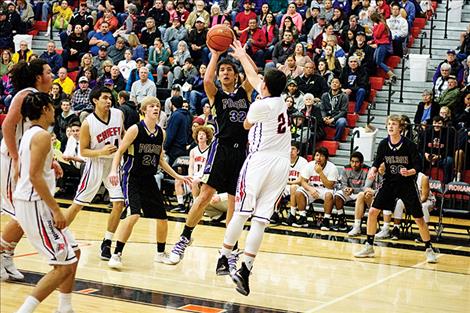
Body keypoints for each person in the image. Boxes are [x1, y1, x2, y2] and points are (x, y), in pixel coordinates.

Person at [167, 44, 255, 265]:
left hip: (242, 153)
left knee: (234, 207)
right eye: (222, 70)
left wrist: (243, 56)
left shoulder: (244, 92)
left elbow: (255, 75)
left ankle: (230, 251)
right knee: (204, 196)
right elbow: (207, 81)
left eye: (229, 70)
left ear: (236, 75)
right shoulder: (216, 95)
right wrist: (215, 55)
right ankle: (184, 238)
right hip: (221, 149)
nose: (225, 73)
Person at [215, 40, 290, 296]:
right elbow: (253, 76)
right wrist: (243, 55)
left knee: (242, 212)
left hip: (260, 160)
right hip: (282, 165)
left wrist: (254, 117)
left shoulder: (259, 105)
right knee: (260, 220)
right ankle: (246, 269)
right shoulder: (281, 102)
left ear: (266, 87)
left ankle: (224, 256)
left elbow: (246, 125)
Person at [13, 92, 80, 313]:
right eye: (52, 106)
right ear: (44, 109)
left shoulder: (31, 134)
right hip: (35, 204)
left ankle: (65, 307)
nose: (55, 109)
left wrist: (51, 163)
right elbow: (34, 176)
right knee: (63, 266)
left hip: (30, 200)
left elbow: (29, 168)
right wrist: (56, 210)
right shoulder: (41, 136)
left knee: (74, 253)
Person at [107, 96, 191, 269]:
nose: (156, 108)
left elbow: (160, 160)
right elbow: (119, 152)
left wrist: (177, 176)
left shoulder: (161, 132)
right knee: (134, 214)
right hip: (132, 177)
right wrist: (113, 170)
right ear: (144, 110)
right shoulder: (135, 130)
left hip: (149, 178)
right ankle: (116, 254)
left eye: (158, 106)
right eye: (152, 106)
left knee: (162, 217)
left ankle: (160, 253)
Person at [354, 115, 438, 263]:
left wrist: (409, 172)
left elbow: (419, 166)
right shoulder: (383, 144)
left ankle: (429, 248)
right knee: (373, 211)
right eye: (389, 124)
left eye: (394, 124)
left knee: (418, 218)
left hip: (407, 185)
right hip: (389, 183)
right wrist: (373, 170)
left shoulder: (409, 145)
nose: (390, 126)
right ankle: (369, 245)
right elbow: (377, 161)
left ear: (400, 128)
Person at [1, 59, 54, 282]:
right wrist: (14, 159)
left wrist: (53, 161)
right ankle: (3, 255)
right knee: (22, 215)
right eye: (49, 72)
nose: (52, 76)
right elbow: (7, 126)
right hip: (12, 159)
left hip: (25, 158)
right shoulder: (25, 95)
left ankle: (7, 256)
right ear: (38, 77)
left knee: (24, 216)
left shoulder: (40, 98)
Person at [64, 86, 125, 261]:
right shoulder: (87, 123)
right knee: (78, 204)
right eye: (105, 98)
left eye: (110, 98)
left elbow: (123, 134)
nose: (109, 101)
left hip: (114, 163)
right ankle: (58, 235)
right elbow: (83, 151)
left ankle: (107, 241)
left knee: (119, 203)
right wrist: (101, 152)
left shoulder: (118, 115)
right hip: (95, 163)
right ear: (95, 101)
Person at [294, 147, 339, 228]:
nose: (318, 158)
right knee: (298, 192)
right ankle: (302, 217)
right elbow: (303, 181)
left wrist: (320, 172)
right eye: (317, 155)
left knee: (329, 195)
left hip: (326, 190)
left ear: (326, 158)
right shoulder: (309, 165)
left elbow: (330, 185)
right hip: (312, 189)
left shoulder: (332, 167)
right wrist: (310, 189)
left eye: (321, 156)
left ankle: (326, 220)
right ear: (314, 157)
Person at [331, 151, 369, 231]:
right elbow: (343, 183)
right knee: (337, 195)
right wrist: (346, 189)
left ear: (361, 163)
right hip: (349, 192)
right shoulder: (346, 168)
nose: (354, 164)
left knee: (363, 195)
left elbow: (367, 187)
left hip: (360, 193)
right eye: (352, 162)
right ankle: (342, 220)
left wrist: (354, 190)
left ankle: (358, 224)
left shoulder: (367, 170)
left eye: (357, 162)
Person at [281, 141, 309, 226]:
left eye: (293, 149)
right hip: (286, 186)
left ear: (298, 151)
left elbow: (301, 180)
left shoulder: (303, 162)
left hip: (299, 186)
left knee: (293, 187)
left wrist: (288, 182)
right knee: (276, 188)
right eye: (289, 149)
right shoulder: (283, 161)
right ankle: (274, 212)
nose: (290, 151)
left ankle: (292, 215)